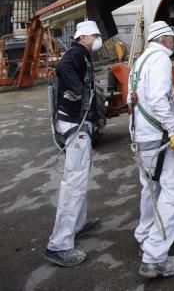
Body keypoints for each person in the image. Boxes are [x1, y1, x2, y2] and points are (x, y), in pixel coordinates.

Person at [128, 20, 174, 279]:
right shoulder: (160, 59)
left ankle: (144, 237)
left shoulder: (140, 60)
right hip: (158, 139)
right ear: (163, 39)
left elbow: (145, 98)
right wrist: (173, 131)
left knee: (151, 190)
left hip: (142, 138)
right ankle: (154, 258)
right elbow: (158, 100)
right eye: (172, 38)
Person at [44, 20, 103, 267]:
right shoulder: (76, 53)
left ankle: (77, 225)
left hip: (78, 125)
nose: (99, 39)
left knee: (79, 178)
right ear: (85, 37)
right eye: (96, 35)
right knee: (74, 183)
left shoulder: (82, 54)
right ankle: (58, 245)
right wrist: (79, 92)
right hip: (74, 127)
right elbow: (64, 70)